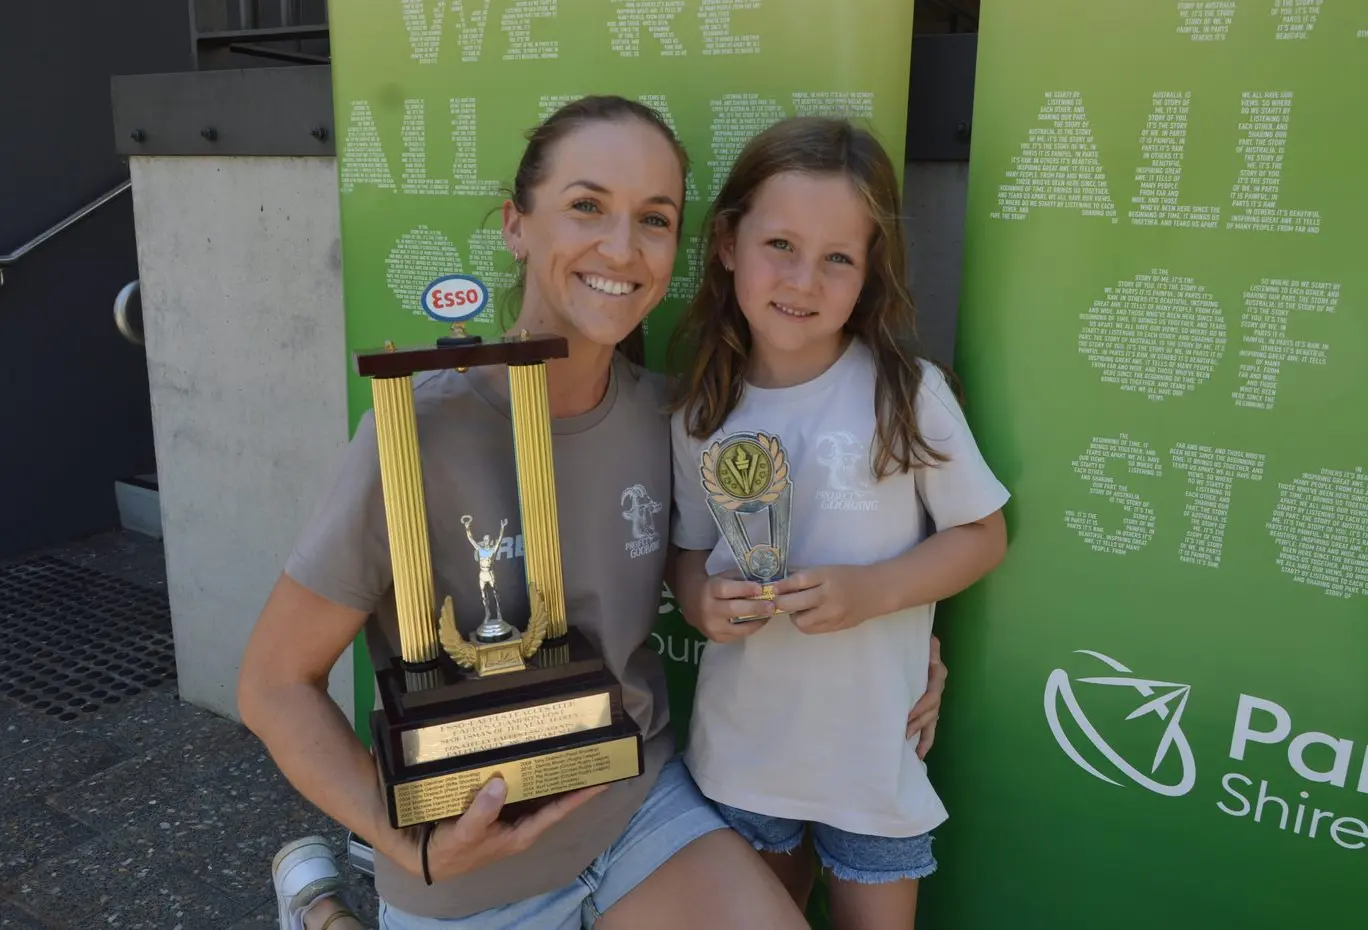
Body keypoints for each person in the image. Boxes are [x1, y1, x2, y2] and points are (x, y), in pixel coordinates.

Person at [237, 96, 950, 930]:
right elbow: (274, 684)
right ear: (516, 225)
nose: (620, 247)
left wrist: (905, 656)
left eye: (652, 219)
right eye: (586, 206)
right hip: (472, 867)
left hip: (639, 809)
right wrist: (406, 848)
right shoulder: (412, 433)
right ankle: (322, 906)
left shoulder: (679, 417)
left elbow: (787, 555)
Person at [667, 116, 1009, 930]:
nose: (804, 280)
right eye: (779, 245)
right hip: (742, 758)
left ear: (869, 274)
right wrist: (701, 603)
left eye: (837, 259)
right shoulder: (697, 414)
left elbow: (981, 535)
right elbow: (685, 558)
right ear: (725, 243)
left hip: (869, 759)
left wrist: (874, 591)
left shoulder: (906, 395)